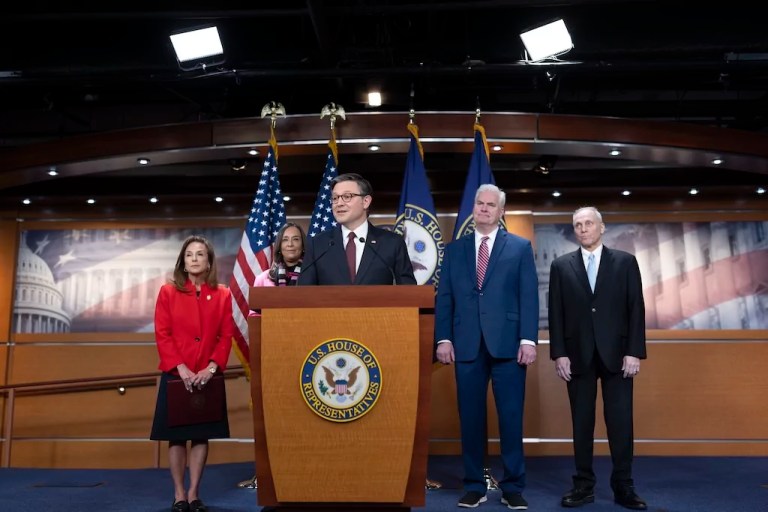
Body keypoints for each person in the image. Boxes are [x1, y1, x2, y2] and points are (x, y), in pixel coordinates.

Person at [435, 184, 539, 510]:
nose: (483, 208)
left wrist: (528, 339)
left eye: (490, 205)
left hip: (509, 346)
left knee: (510, 418)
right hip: (466, 345)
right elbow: (446, 298)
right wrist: (443, 338)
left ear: (501, 211)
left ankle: (513, 487)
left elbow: (529, 296)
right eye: (479, 203)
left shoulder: (520, 247)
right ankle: (474, 484)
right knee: (470, 419)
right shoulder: (454, 250)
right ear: (473, 208)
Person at [548, 206, 647, 510]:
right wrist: (559, 354)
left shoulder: (625, 262)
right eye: (577, 225)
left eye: (588, 223)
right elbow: (556, 313)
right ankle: (583, 486)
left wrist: (634, 351)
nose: (583, 229)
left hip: (618, 356)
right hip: (577, 356)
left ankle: (624, 486)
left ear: (601, 227)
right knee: (581, 423)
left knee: (620, 423)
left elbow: (636, 309)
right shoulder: (561, 266)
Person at [150, 235, 235, 512]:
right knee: (177, 437)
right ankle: (178, 494)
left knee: (201, 435)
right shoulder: (168, 292)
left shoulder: (223, 293)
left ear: (209, 261)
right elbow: (163, 334)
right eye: (190, 255)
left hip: (207, 375)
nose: (195, 259)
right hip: (178, 374)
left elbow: (226, 335)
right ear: (183, 263)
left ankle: (194, 493)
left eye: (200, 254)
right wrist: (181, 368)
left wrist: (211, 368)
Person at [237, 222, 306, 490]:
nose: (290, 244)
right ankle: (268, 473)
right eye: (285, 240)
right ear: (279, 245)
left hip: (304, 354)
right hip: (274, 357)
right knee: (273, 414)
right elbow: (255, 317)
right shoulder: (264, 278)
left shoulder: (312, 276)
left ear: (302, 245)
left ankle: (299, 469)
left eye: (295, 239)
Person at [298, 172, 416, 286]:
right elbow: (304, 293)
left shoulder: (392, 243)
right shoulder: (318, 244)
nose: (338, 203)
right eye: (335, 198)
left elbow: (409, 291)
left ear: (365, 202)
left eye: (346, 197)